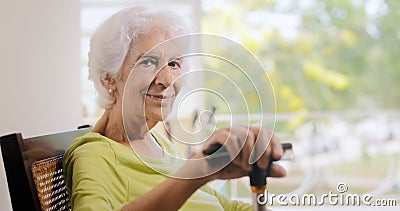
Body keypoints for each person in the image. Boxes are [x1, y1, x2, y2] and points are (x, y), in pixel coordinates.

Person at [63, 6, 286, 211]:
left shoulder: (159, 142)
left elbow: (222, 205)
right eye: (148, 62)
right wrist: (193, 174)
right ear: (109, 79)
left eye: (174, 64)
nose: (167, 79)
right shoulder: (95, 153)